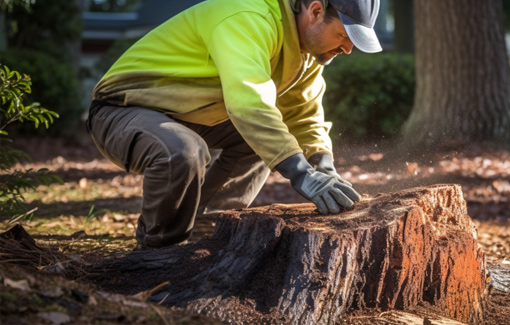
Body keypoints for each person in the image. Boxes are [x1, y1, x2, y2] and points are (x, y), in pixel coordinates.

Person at [87, 0, 382, 249]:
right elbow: (249, 104)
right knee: (184, 151)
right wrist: (301, 174)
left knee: (265, 141)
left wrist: (323, 165)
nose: (347, 50)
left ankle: (209, 236)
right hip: (121, 110)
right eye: (344, 35)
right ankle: (159, 252)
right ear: (316, 11)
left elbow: (303, 116)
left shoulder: (306, 54)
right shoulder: (248, 17)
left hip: (187, 116)